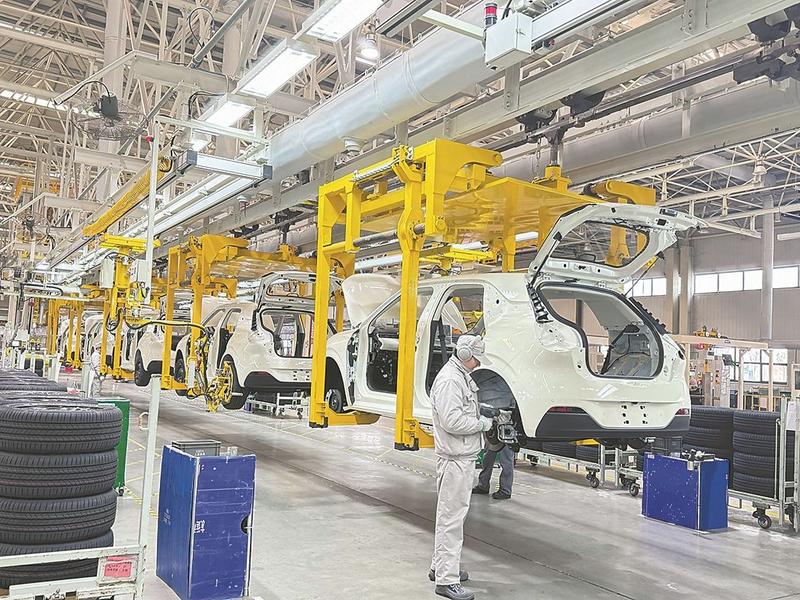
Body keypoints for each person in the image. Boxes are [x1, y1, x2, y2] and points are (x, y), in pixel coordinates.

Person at [429, 334, 498, 600]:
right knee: (451, 520)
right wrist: (481, 424)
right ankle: (447, 581)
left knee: (449, 516)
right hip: (455, 460)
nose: (478, 363)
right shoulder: (450, 380)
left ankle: (440, 567)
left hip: (460, 458)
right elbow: (452, 421)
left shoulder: (460, 376)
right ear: (466, 354)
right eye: (476, 358)